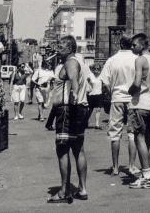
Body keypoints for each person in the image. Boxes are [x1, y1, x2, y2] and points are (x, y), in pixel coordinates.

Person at [49, 35, 89, 203]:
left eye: (61, 46)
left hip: (67, 111)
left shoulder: (70, 62)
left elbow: (73, 80)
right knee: (78, 149)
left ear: (70, 48)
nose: (58, 49)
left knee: (62, 150)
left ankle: (65, 190)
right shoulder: (76, 62)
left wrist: (73, 95)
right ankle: (82, 189)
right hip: (77, 109)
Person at [99, 34, 139, 177]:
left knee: (115, 134)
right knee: (132, 134)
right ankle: (132, 166)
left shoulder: (112, 60)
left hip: (116, 99)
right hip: (132, 100)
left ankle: (115, 167)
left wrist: (111, 93)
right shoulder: (136, 60)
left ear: (120, 44)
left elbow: (105, 82)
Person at [128, 33, 150, 190]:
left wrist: (130, 90)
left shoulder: (140, 60)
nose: (132, 47)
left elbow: (136, 83)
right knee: (149, 138)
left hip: (139, 103)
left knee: (139, 138)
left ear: (142, 45)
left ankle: (146, 175)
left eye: (134, 45)